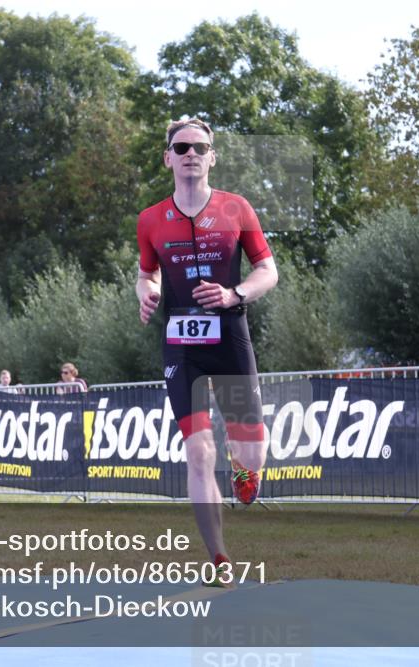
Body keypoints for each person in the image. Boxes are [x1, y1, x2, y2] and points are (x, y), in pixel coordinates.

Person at [135, 117, 278, 581]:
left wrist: (234, 294)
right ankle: (218, 556)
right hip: (182, 346)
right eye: (182, 147)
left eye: (200, 146)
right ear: (168, 158)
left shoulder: (237, 209)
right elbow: (146, 273)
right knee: (198, 452)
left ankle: (245, 469)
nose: (191, 153)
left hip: (229, 338)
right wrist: (146, 291)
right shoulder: (151, 220)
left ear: (213, 156)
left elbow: (268, 271)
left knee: (251, 450)